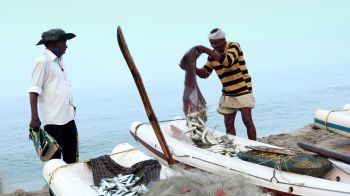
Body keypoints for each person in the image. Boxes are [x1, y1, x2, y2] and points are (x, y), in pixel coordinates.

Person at [195, 28, 257, 140]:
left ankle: (255, 146)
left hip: (243, 89)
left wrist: (205, 50)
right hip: (227, 92)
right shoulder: (212, 56)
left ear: (224, 40)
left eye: (216, 43)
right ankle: (232, 147)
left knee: (247, 120)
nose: (214, 46)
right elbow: (204, 73)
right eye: (211, 43)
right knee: (228, 123)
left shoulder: (234, 46)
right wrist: (192, 68)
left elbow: (227, 61)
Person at [29, 28, 79, 163]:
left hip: (68, 119)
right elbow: (33, 91)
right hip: (53, 123)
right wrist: (34, 118)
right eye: (63, 43)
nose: (66, 46)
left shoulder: (59, 60)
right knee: (55, 164)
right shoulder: (43, 61)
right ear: (52, 44)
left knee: (72, 161)